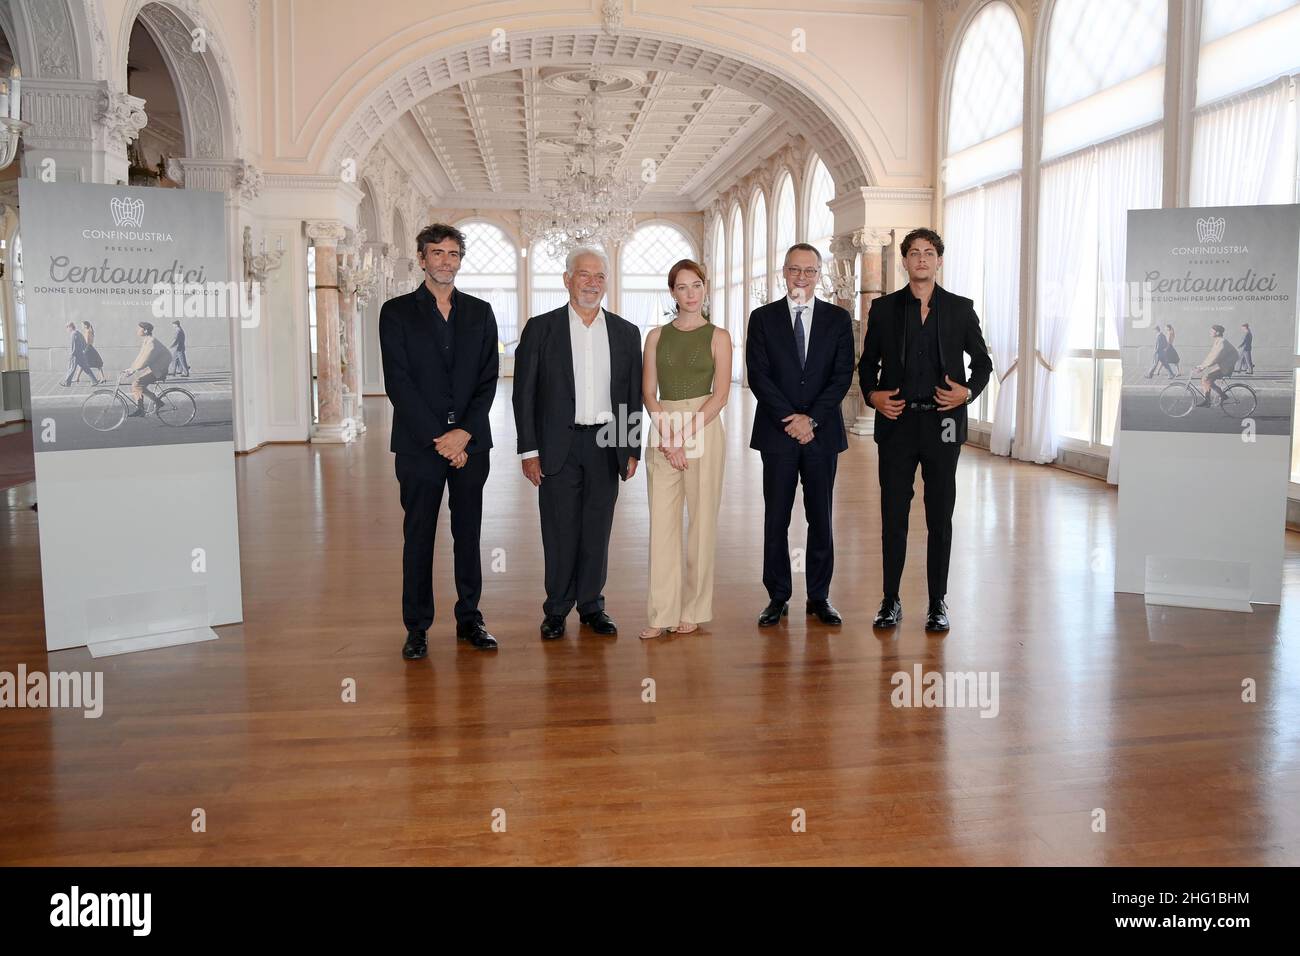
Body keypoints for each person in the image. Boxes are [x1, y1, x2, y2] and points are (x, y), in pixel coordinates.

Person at [859, 228, 992, 632]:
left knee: (941, 515)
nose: (921, 259)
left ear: (939, 261)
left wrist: (966, 394)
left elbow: (983, 363)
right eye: (914, 253)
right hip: (897, 423)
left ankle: (937, 603)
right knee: (893, 514)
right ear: (904, 261)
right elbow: (867, 366)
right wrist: (873, 396)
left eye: (928, 253)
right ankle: (890, 600)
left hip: (944, 425)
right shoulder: (883, 310)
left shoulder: (959, 308)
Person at [379, 223, 500, 661]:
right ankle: (417, 627)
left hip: (472, 445)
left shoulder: (481, 312)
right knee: (419, 536)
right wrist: (440, 437)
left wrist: (464, 432)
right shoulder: (395, 313)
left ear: (460, 260)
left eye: (452, 253)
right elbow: (399, 383)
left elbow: (489, 380)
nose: (445, 261)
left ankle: (470, 619)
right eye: (437, 253)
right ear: (421, 258)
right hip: (418, 446)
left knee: (468, 534)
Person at [513, 246, 642, 640]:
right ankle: (556, 609)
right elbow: (524, 394)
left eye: (599, 276)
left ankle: (591, 606)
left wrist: (630, 446)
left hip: (606, 443)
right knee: (558, 528)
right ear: (567, 280)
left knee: (597, 529)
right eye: (584, 275)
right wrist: (529, 451)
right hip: (557, 446)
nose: (592, 282)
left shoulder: (625, 332)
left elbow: (631, 394)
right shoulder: (541, 328)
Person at [746, 243, 855, 628]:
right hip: (777, 436)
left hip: (822, 436)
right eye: (795, 269)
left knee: (820, 517)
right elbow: (758, 375)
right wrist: (790, 419)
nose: (802, 277)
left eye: (809, 271)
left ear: (819, 275)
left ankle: (819, 596)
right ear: (784, 273)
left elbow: (842, 377)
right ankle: (777, 595)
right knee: (776, 516)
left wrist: (812, 420)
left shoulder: (838, 320)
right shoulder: (762, 319)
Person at [640, 259, 731, 639]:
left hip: (704, 425)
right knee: (662, 524)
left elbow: (722, 394)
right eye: (682, 287)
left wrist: (683, 435)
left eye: (696, 286)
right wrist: (668, 433)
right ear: (672, 292)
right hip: (663, 425)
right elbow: (648, 391)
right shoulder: (656, 336)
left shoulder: (719, 336)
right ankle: (661, 612)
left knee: (701, 522)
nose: (691, 294)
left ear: (705, 288)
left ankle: (693, 609)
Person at [123, 321, 172, 415]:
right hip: (155, 367)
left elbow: (146, 358)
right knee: (137, 385)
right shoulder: (147, 340)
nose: (137, 330)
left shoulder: (151, 342)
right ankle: (156, 402)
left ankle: (142, 409)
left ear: (145, 330)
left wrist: (134, 370)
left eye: (139, 328)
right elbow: (141, 356)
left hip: (160, 369)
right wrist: (131, 368)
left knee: (137, 384)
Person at [1193, 324, 1239, 407]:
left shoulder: (1222, 342)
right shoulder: (1218, 341)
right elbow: (1211, 355)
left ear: (1217, 333)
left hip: (1227, 367)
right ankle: (1221, 396)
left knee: (1206, 378)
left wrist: (1203, 367)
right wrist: (1202, 365)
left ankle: (1208, 401)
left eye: (1211, 331)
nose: (1210, 332)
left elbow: (1215, 357)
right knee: (1206, 379)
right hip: (1223, 365)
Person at [58, 322, 101, 387]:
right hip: (81, 354)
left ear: (70, 327)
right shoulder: (78, 333)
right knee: (86, 368)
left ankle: (67, 383)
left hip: (75, 355)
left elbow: (73, 346)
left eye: (67, 327)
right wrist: (83, 351)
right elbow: (84, 344)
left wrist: (72, 354)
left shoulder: (73, 334)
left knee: (71, 368)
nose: (67, 330)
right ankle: (94, 381)